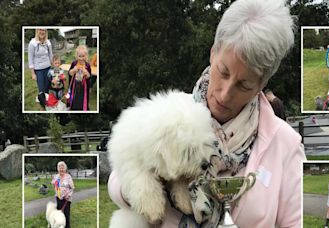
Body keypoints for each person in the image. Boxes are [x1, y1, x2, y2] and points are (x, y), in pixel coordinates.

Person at [108, 0, 306, 227]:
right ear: (213, 53)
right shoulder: (172, 113)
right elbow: (118, 180)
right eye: (223, 71)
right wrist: (145, 185)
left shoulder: (286, 146)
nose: (224, 94)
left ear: (262, 84)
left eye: (244, 85)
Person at [28, 28, 53, 110]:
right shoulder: (32, 43)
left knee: (47, 86)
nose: (42, 32)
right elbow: (30, 59)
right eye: (40, 30)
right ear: (37, 31)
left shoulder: (48, 42)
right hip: (38, 69)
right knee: (41, 88)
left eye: (44, 30)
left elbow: (50, 55)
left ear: (46, 32)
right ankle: (43, 105)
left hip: (48, 68)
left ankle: (47, 102)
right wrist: (32, 73)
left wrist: (54, 67)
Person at [67, 45, 91, 111]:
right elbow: (69, 73)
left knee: (81, 98)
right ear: (77, 56)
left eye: (83, 56)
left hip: (83, 87)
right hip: (75, 85)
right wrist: (74, 70)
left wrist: (86, 73)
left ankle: (82, 108)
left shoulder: (87, 65)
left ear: (86, 56)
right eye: (79, 56)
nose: (81, 58)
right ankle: (73, 106)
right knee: (74, 97)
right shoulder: (74, 63)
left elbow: (89, 77)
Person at [51, 161, 74, 228]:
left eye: (62, 168)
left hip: (67, 199)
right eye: (60, 168)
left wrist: (68, 195)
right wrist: (54, 182)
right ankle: (58, 225)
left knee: (66, 214)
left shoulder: (68, 177)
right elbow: (55, 186)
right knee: (59, 214)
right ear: (58, 169)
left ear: (65, 169)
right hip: (58, 198)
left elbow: (72, 188)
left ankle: (67, 226)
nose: (61, 169)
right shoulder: (56, 177)